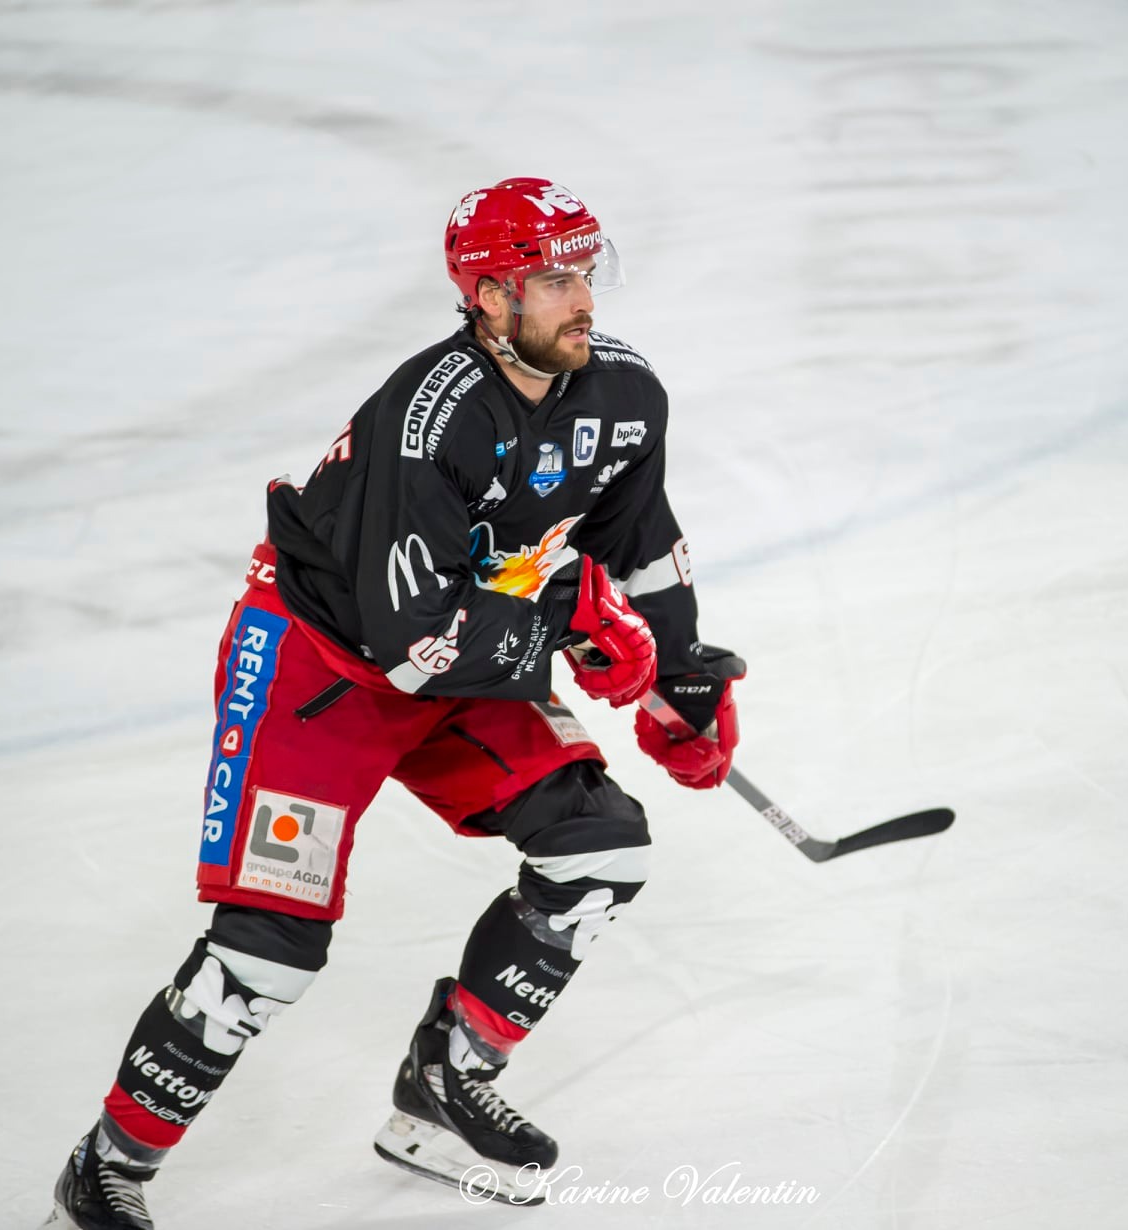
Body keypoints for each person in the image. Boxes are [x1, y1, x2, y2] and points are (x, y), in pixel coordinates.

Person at [45, 177, 746, 1227]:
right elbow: (412, 645)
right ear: (488, 295)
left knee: (601, 846)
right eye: (554, 279)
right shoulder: (433, 417)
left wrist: (680, 679)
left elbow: (636, 540)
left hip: (467, 657)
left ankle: (446, 1082)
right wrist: (574, 627)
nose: (581, 300)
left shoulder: (625, 393)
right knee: (265, 955)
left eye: (586, 273)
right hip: (318, 670)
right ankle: (108, 1171)